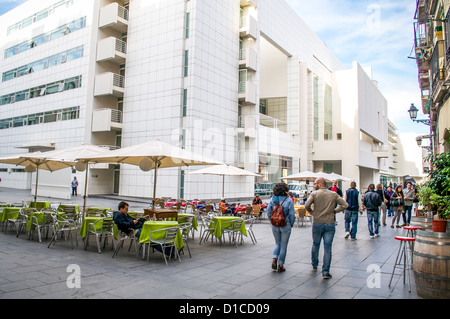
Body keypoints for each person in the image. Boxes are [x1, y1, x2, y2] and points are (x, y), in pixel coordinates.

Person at [305, 177, 348, 279]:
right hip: (329, 222)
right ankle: (325, 271)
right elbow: (345, 204)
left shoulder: (314, 194)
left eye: (315, 183)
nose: (314, 185)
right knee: (328, 247)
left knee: (316, 244)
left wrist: (311, 212)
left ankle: (314, 263)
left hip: (317, 222)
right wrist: (335, 211)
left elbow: (307, 205)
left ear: (320, 184)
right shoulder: (333, 194)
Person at [266, 182, 295, 273]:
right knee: (283, 245)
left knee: (277, 243)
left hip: (275, 224)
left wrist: (271, 221)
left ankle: (274, 258)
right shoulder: (289, 200)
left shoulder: (272, 199)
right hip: (285, 224)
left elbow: (268, 212)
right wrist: (291, 224)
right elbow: (292, 214)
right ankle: (280, 264)